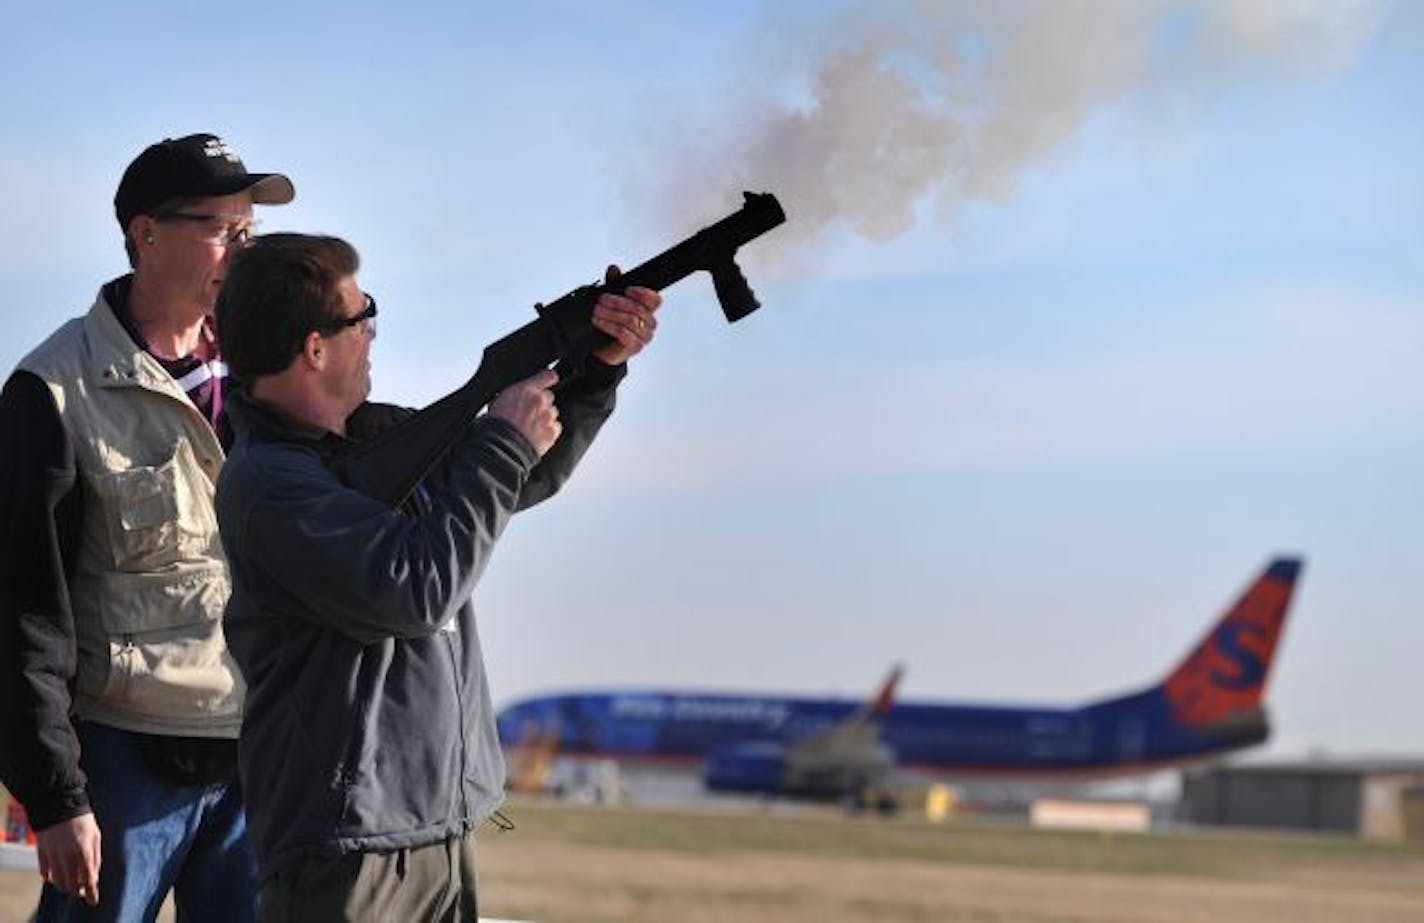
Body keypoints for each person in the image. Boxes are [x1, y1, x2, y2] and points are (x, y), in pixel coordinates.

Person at [211, 232, 660, 921]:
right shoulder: (272, 486)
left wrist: (593, 372)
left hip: (432, 824)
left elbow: (513, 481)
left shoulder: (376, 440)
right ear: (315, 347)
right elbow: (415, 588)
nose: (373, 336)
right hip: (349, 846)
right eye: (363, 318)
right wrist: (501, 440)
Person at [0, 133, 294, 921]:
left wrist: (584, 381)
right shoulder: (51, 390)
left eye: (248, 231)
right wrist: (56, 797)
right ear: (145, 233)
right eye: (221, 227)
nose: (241, 248)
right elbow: (27, 612)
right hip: (122, 765)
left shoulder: (272, 371)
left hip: (259, 753)